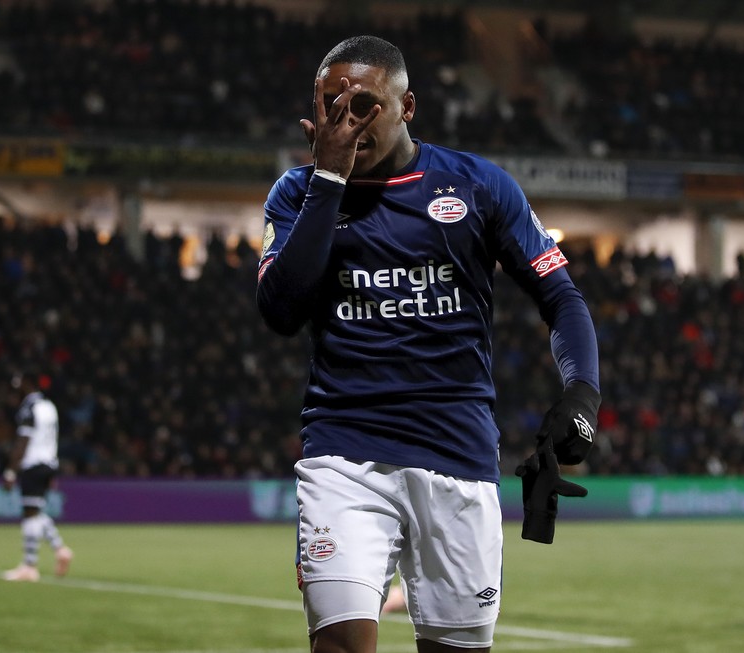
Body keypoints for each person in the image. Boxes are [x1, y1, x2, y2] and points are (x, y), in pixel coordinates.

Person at [256, 35, 600, 652]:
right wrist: (329, 179)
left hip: (459, 455)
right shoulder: (298, 192)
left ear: (407, 106)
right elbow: (281, 311)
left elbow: (561, 299)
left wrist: (582, 393)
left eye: (365, 107)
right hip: (344, 454)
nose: (346, 123)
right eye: (331, 106)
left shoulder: (479, 185)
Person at [2, 371, 74, 582]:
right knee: (34, 512)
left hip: (33, 463)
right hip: (48, 462)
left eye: (18, 386)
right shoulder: (49, 406)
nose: (15, 391)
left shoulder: (29, 408)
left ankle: (30, 565)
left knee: (30, 514)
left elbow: (23, 440)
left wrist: (11, 471)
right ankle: (59, 550)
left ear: (28, 384)